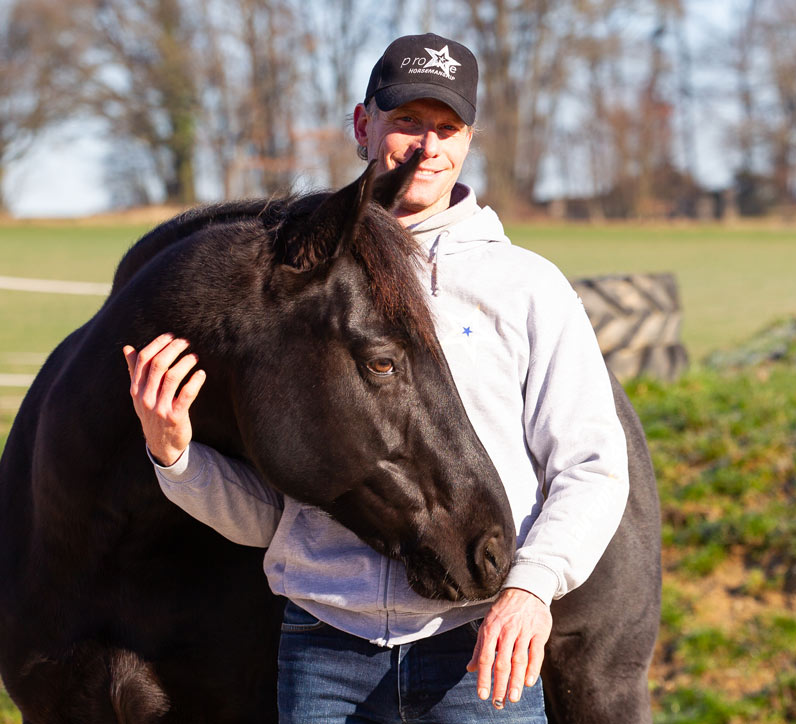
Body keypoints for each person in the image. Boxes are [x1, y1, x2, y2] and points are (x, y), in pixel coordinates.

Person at [124, 33, 629, 723]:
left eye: (448, 129)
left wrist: (532, 589)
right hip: (323, 652)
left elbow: (593, 467)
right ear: (364, 125)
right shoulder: (301, 289)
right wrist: (176, 455)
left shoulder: (527, 287)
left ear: (469, 140)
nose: (428, 147)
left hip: (478, 650)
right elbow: (276, 521)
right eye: (408, 123)